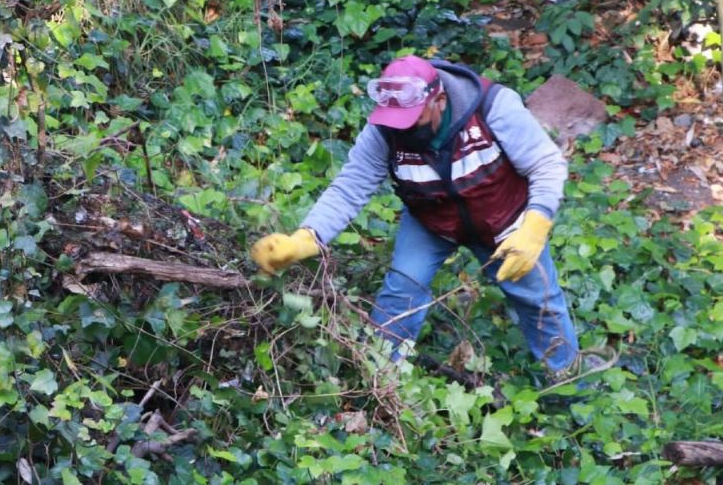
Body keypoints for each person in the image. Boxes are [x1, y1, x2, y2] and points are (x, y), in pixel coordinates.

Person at [250, 55, 584, 377]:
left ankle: (569, 383)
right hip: (432, 221)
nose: (404, 130)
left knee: (541, 304)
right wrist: (306, 238)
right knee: (401, 292)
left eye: (413, 120)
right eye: (397, 122)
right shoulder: (384, 130)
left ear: (438, 99)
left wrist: (535, 225)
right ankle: (380, 377)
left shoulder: (491, 106)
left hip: (507, 219)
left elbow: (546, 164)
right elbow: (349, 187)